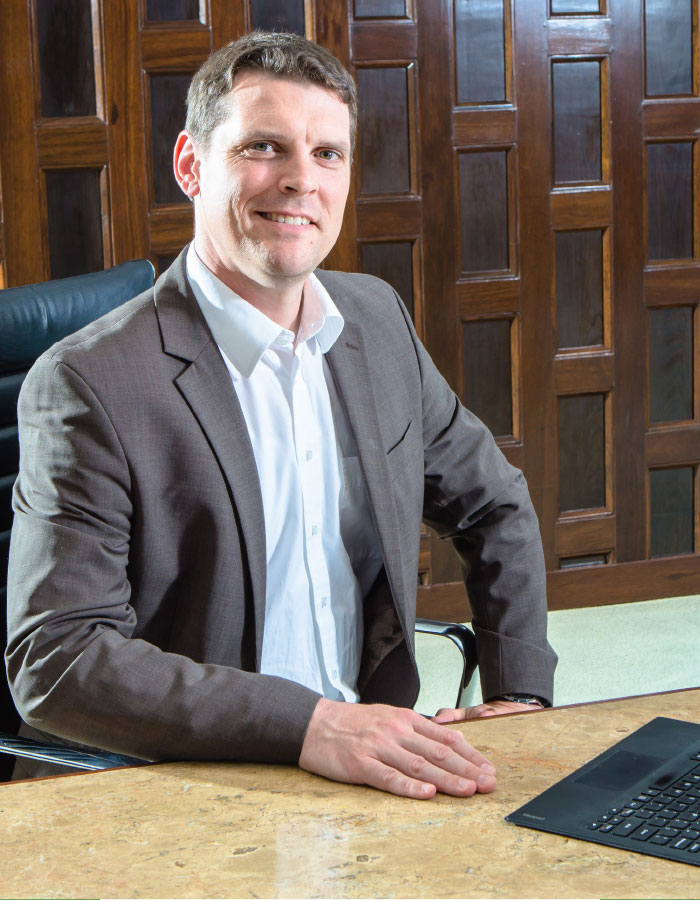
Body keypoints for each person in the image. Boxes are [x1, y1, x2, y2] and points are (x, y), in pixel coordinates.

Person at [6, 32, 556, 798]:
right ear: (191, 165)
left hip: (377, 769)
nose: (301, 180)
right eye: (264, 147)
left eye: (328, 154)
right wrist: (311, 724)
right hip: (195, 785)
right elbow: (58, 658)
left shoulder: (375, 321)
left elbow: (494, 502)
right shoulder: (88, 382)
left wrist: (521, 690)